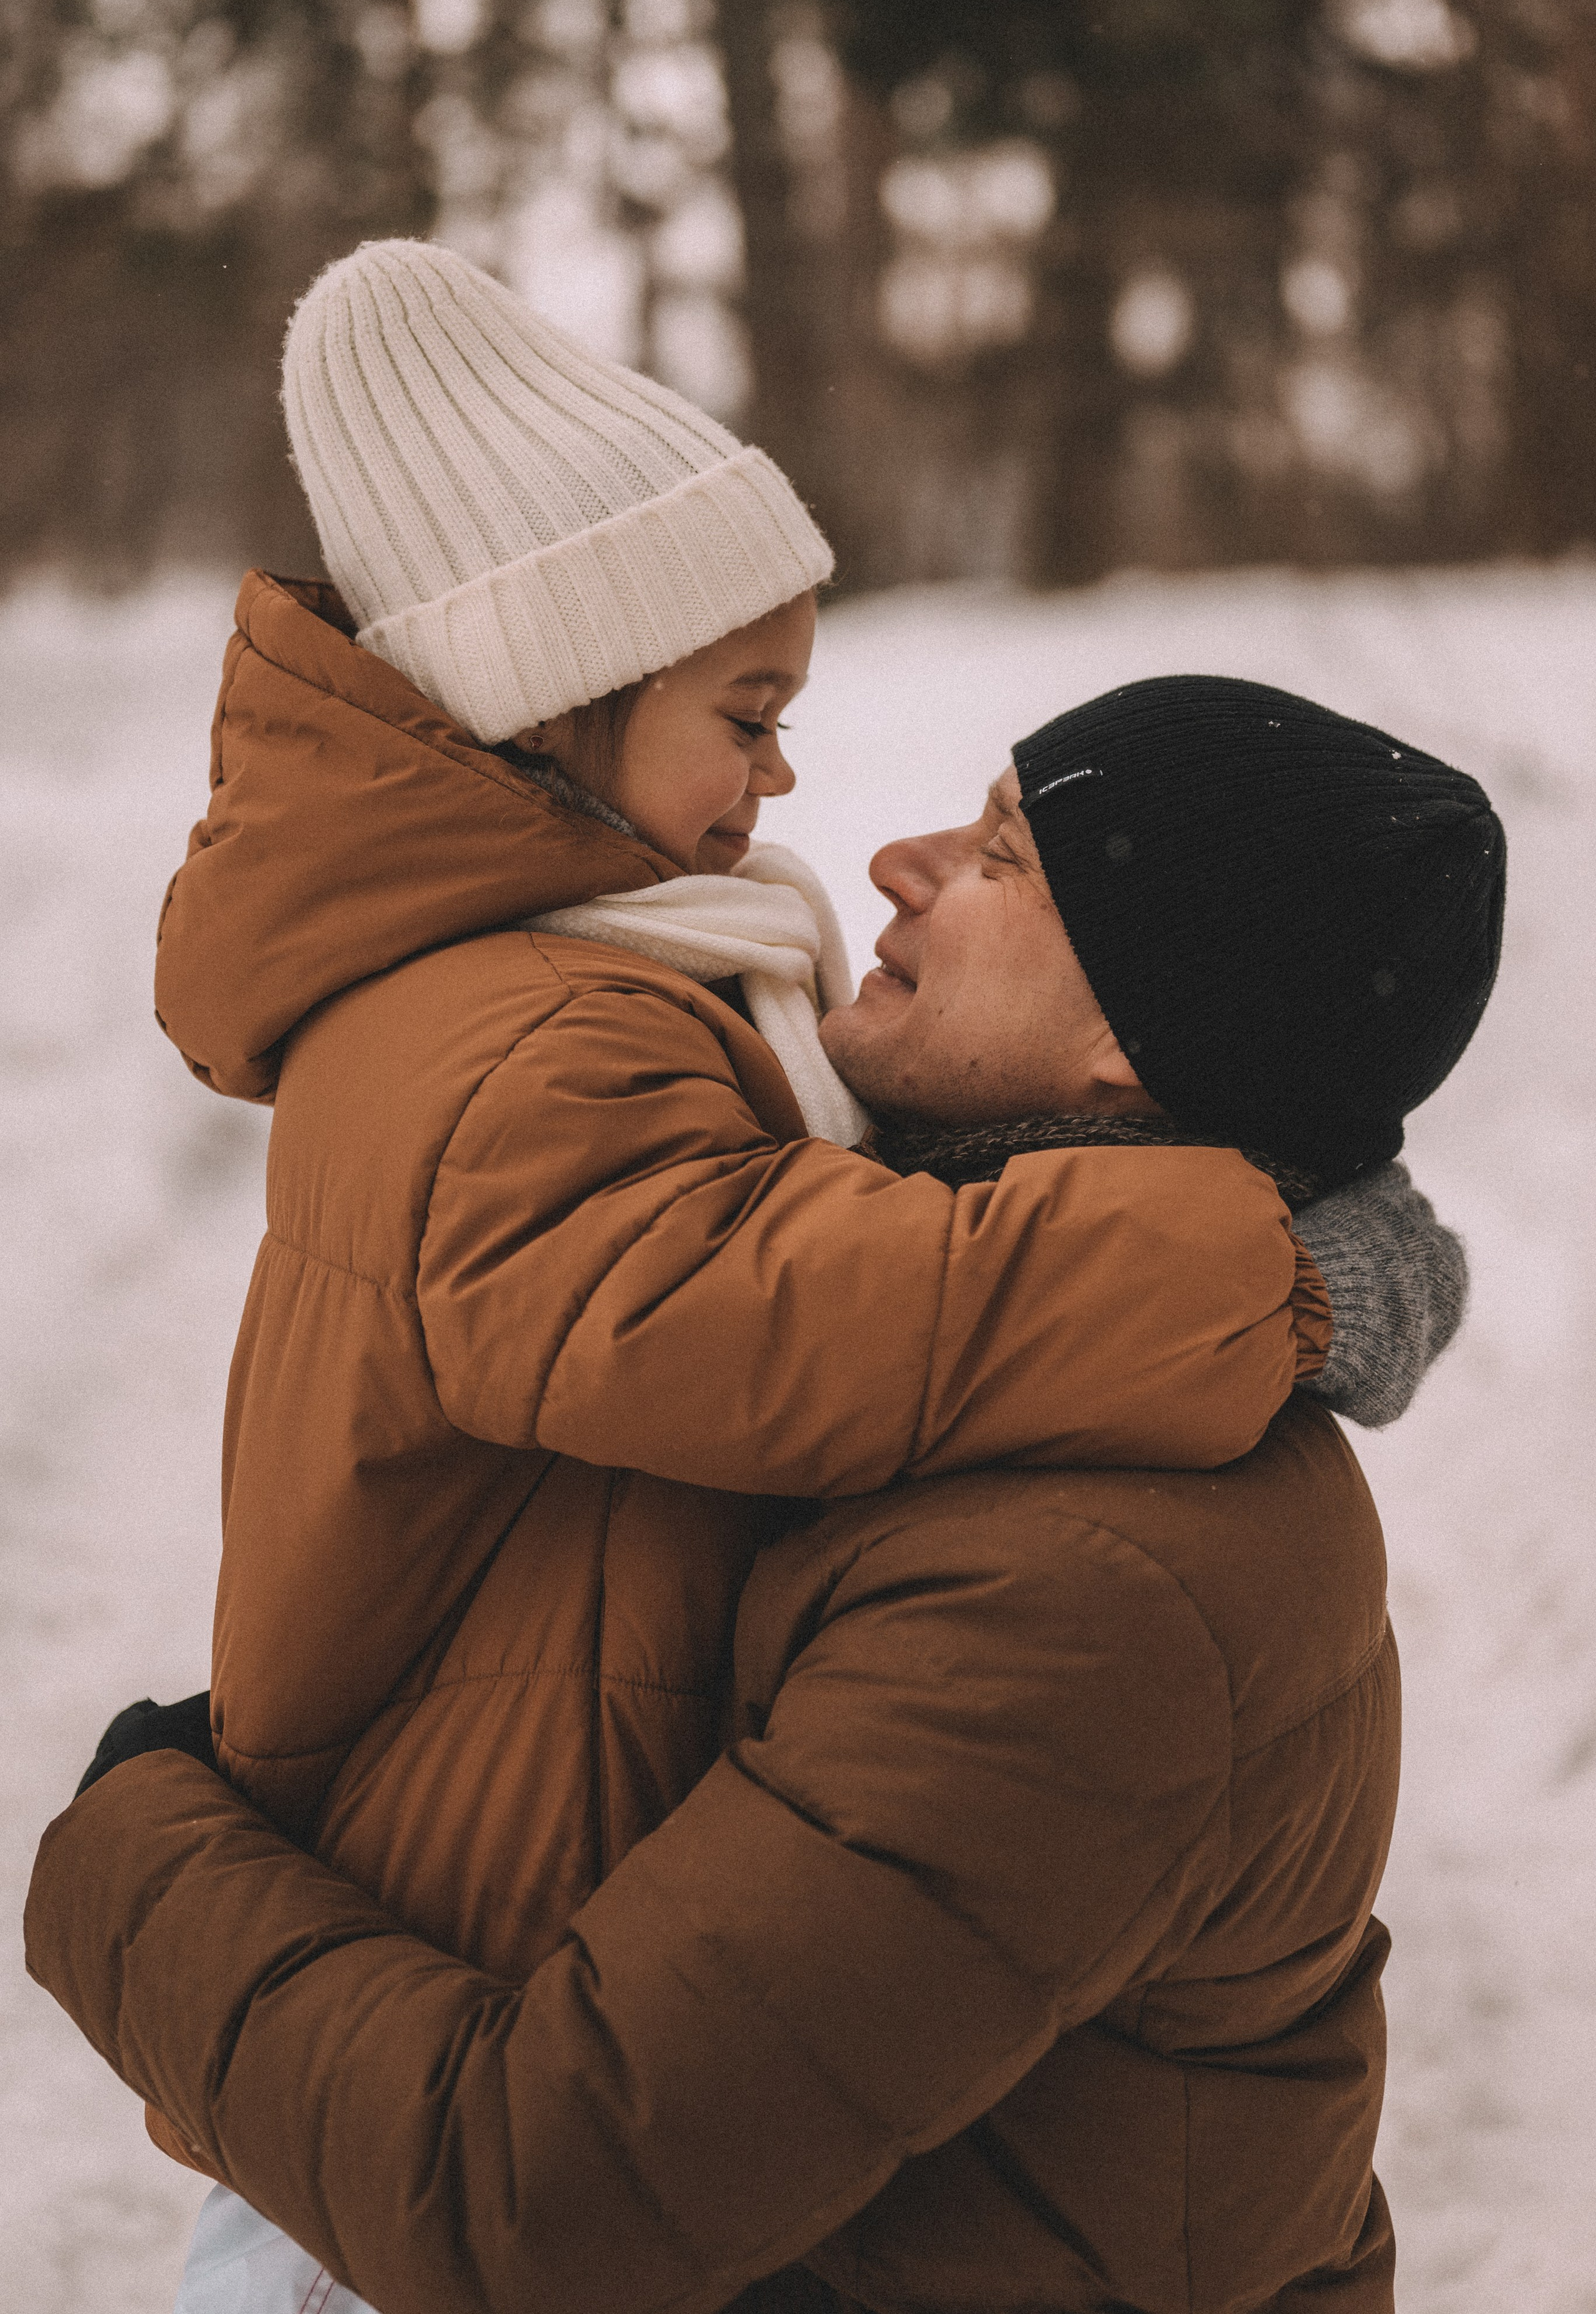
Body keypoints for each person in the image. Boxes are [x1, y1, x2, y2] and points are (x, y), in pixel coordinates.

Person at [29, 240, 1481, 2310]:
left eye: (1001, 860)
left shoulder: (1097, 1568)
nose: (881, 851)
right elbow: (796, 1286)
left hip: (436, 2066)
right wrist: (1295, 1253)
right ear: (556, 702)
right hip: (421, 1972)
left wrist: (133, 1866)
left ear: (1130, 1047)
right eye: (755, 715)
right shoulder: (555, 1040)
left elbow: (550, 2193)